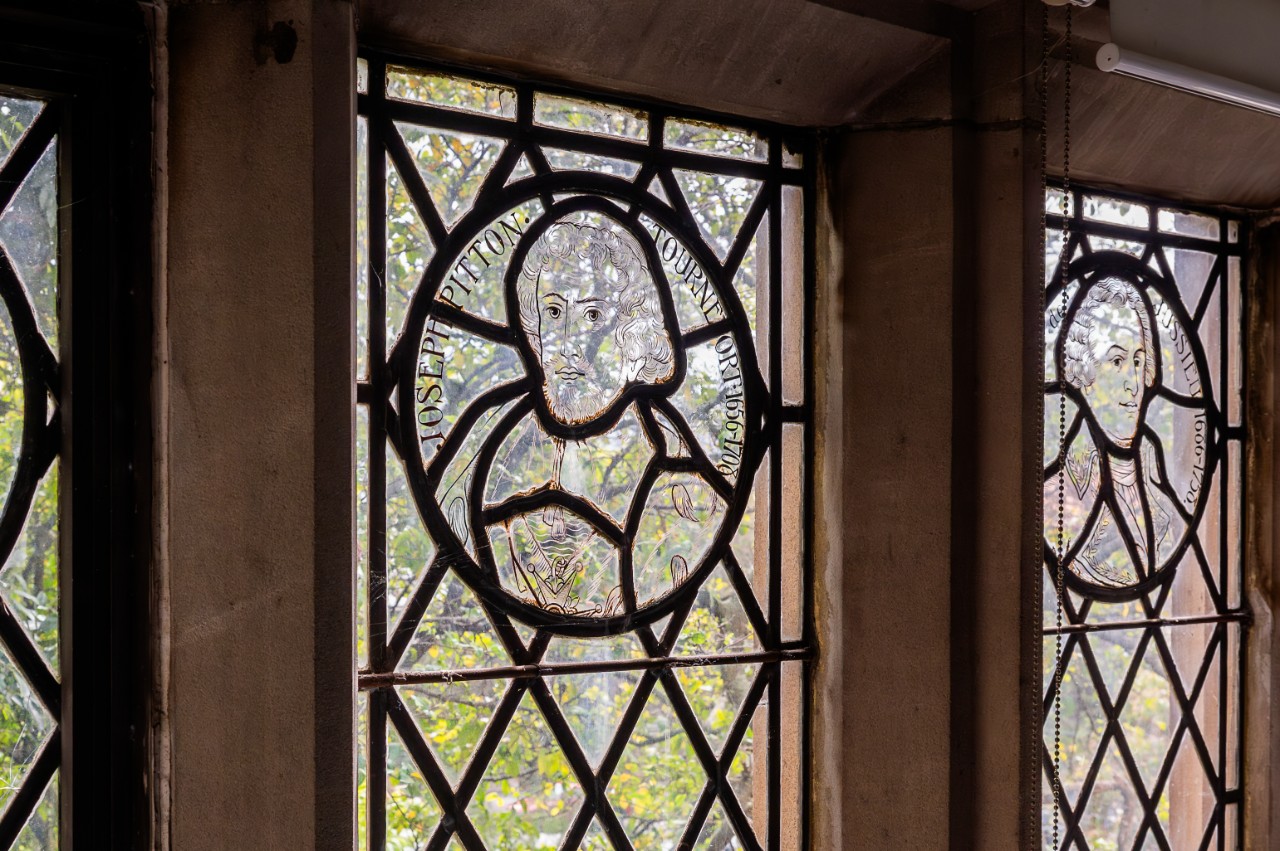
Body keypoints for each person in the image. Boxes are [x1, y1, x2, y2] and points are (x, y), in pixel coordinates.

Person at [435, 211, 724, 617]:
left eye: (593, 317)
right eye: (553, 313)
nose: (568, 344)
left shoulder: (679, 473)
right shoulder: (490, 437)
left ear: (634, 334)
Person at [1046, 275, 1185, 589]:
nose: (1134, 385)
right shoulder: (1063, 489)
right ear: (1085, 370)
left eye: (1138, 361)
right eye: (1117, 361)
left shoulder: (1157, 476)